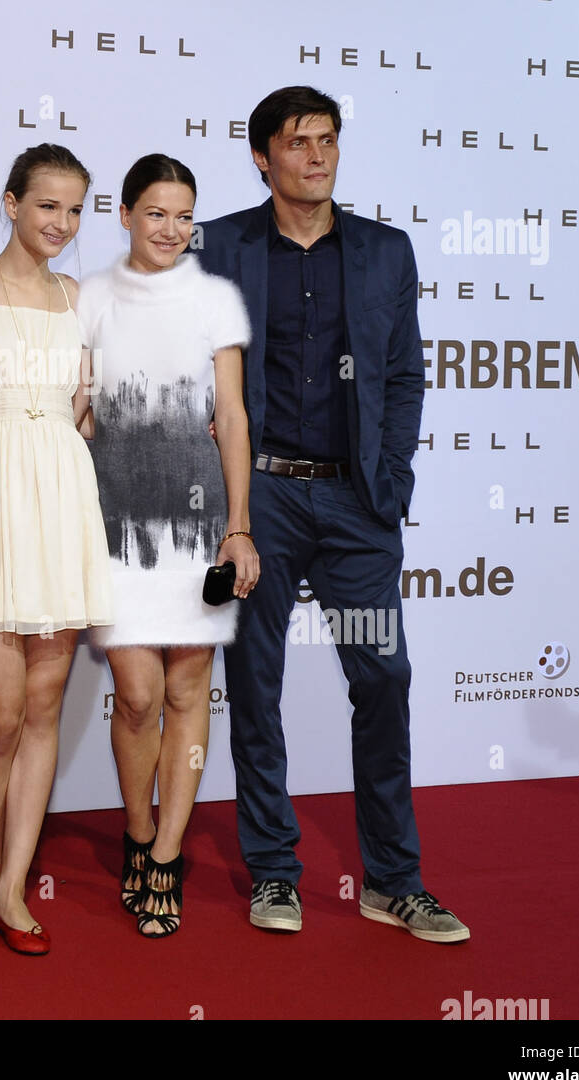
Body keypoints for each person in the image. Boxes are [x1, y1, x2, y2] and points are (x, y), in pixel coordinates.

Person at [198, 85, 469, 942]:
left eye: (327, 140)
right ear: (261, 156)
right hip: (264, 498)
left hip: (356, 503)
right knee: (255, 687)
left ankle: (392, 880)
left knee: (381, 679)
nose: (316, 156)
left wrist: (389, 475)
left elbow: (404, 375)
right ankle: (273, 871)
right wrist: (226, 502)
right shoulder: (221, 247)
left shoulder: (384, 251)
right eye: (297, 142)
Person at [76, 153, 259, 938]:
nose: (171, 229)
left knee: (187, 694)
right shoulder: (90, 298)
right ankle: (138, 831)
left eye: (184, 216)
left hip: (197, 526)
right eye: (156, 213)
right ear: (123, 215)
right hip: (116, 524)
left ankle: (167, 857)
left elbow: (234, 417)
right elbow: (77, 412)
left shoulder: (215, 299)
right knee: (140, 696)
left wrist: (238, 527)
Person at [0, 143, 113, 955]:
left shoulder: (80, 297)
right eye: (47, 205)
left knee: (43, 709)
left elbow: (83, 412)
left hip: (61, 496)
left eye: (75, 210)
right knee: (0, 712)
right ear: (10, 203)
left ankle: (10, 885)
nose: (61, 223)